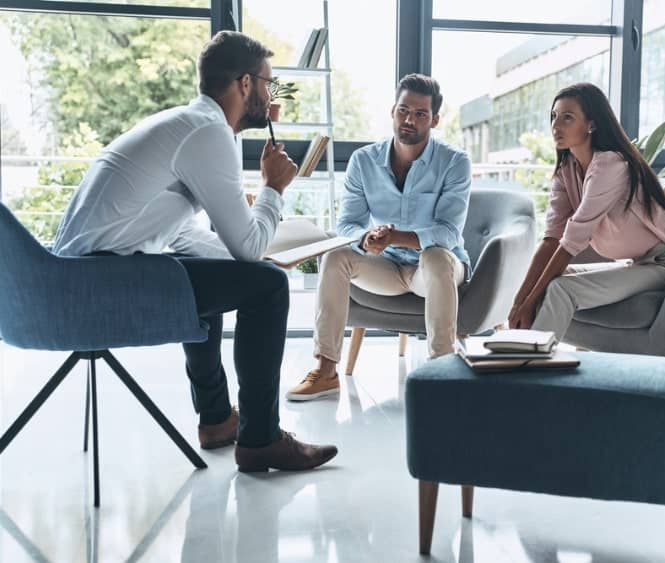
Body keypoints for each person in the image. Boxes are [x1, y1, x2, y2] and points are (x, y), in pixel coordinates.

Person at [52, 31, 337, 472]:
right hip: (94, 286)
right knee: (268, 288)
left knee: (219, 275)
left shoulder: (187, 125)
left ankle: (218, 420)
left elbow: (184, 235)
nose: (270, 95)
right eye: (268, 83)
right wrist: (273, 190)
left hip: (76, 278)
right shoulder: (209, 133)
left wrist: (256, 256)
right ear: (245, 84)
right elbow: (247, 247)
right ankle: (260, 439)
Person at [286, 74, 472, 401]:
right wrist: (365, 239)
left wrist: (396, 236)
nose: (409, 120)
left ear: (435, 119)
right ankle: (326, 370)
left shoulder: (454, 162)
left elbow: (448, 232)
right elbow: (347, 224)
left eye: (420, 114)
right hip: (386, 267)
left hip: (433, 271)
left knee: (436, 255)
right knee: (335, 254)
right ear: (392, 111)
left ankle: (441, 371)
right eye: (403, 111)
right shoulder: (363, 161)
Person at [508, 82, 665, 339]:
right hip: (635, 263)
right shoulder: (566, 170)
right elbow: (551, 239)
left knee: (560, 288)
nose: (556, 126)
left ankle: (526, 366)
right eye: (553, 116)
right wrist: (518, 302)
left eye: (567, 118)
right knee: (548, 282)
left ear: (591, 124)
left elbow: (572, 240)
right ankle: (526, 356)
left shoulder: (610, 164)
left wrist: (528, 304)